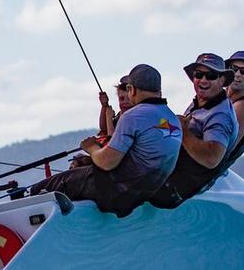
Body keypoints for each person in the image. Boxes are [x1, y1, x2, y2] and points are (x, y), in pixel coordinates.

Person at [30, 64, 182, 217]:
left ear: (132, 90)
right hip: (144, 193)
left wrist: (91, 147)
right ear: (158, 90)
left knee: (48, 185)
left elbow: (106, 162)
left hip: (117, 193)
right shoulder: (172, 119)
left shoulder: (134, 116)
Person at [149, 53, 238, 208]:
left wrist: (182, 129)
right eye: (199, 74)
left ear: (222, 80)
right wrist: (162, 124)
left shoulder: (220, 115)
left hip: (171, 192)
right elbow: (180, 133)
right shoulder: (202, 102)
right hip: (166, 174)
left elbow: (212, 158)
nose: (203, 80)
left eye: (211, 75)